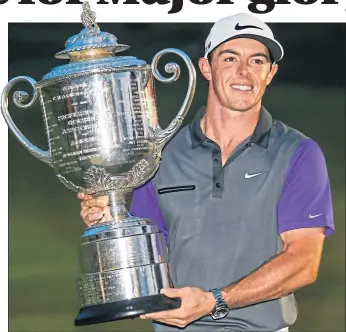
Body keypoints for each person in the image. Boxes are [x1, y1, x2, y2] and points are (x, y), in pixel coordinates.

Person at [78, 13, 335, 332]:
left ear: (271, 73)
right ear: (206, 68)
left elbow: (303, 263)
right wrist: (112, 221)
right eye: (230, 58)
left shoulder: (298, 153)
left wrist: (215, 300)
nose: (245, 71)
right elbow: (149, 252)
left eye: (257, 61)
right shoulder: (159, 154)